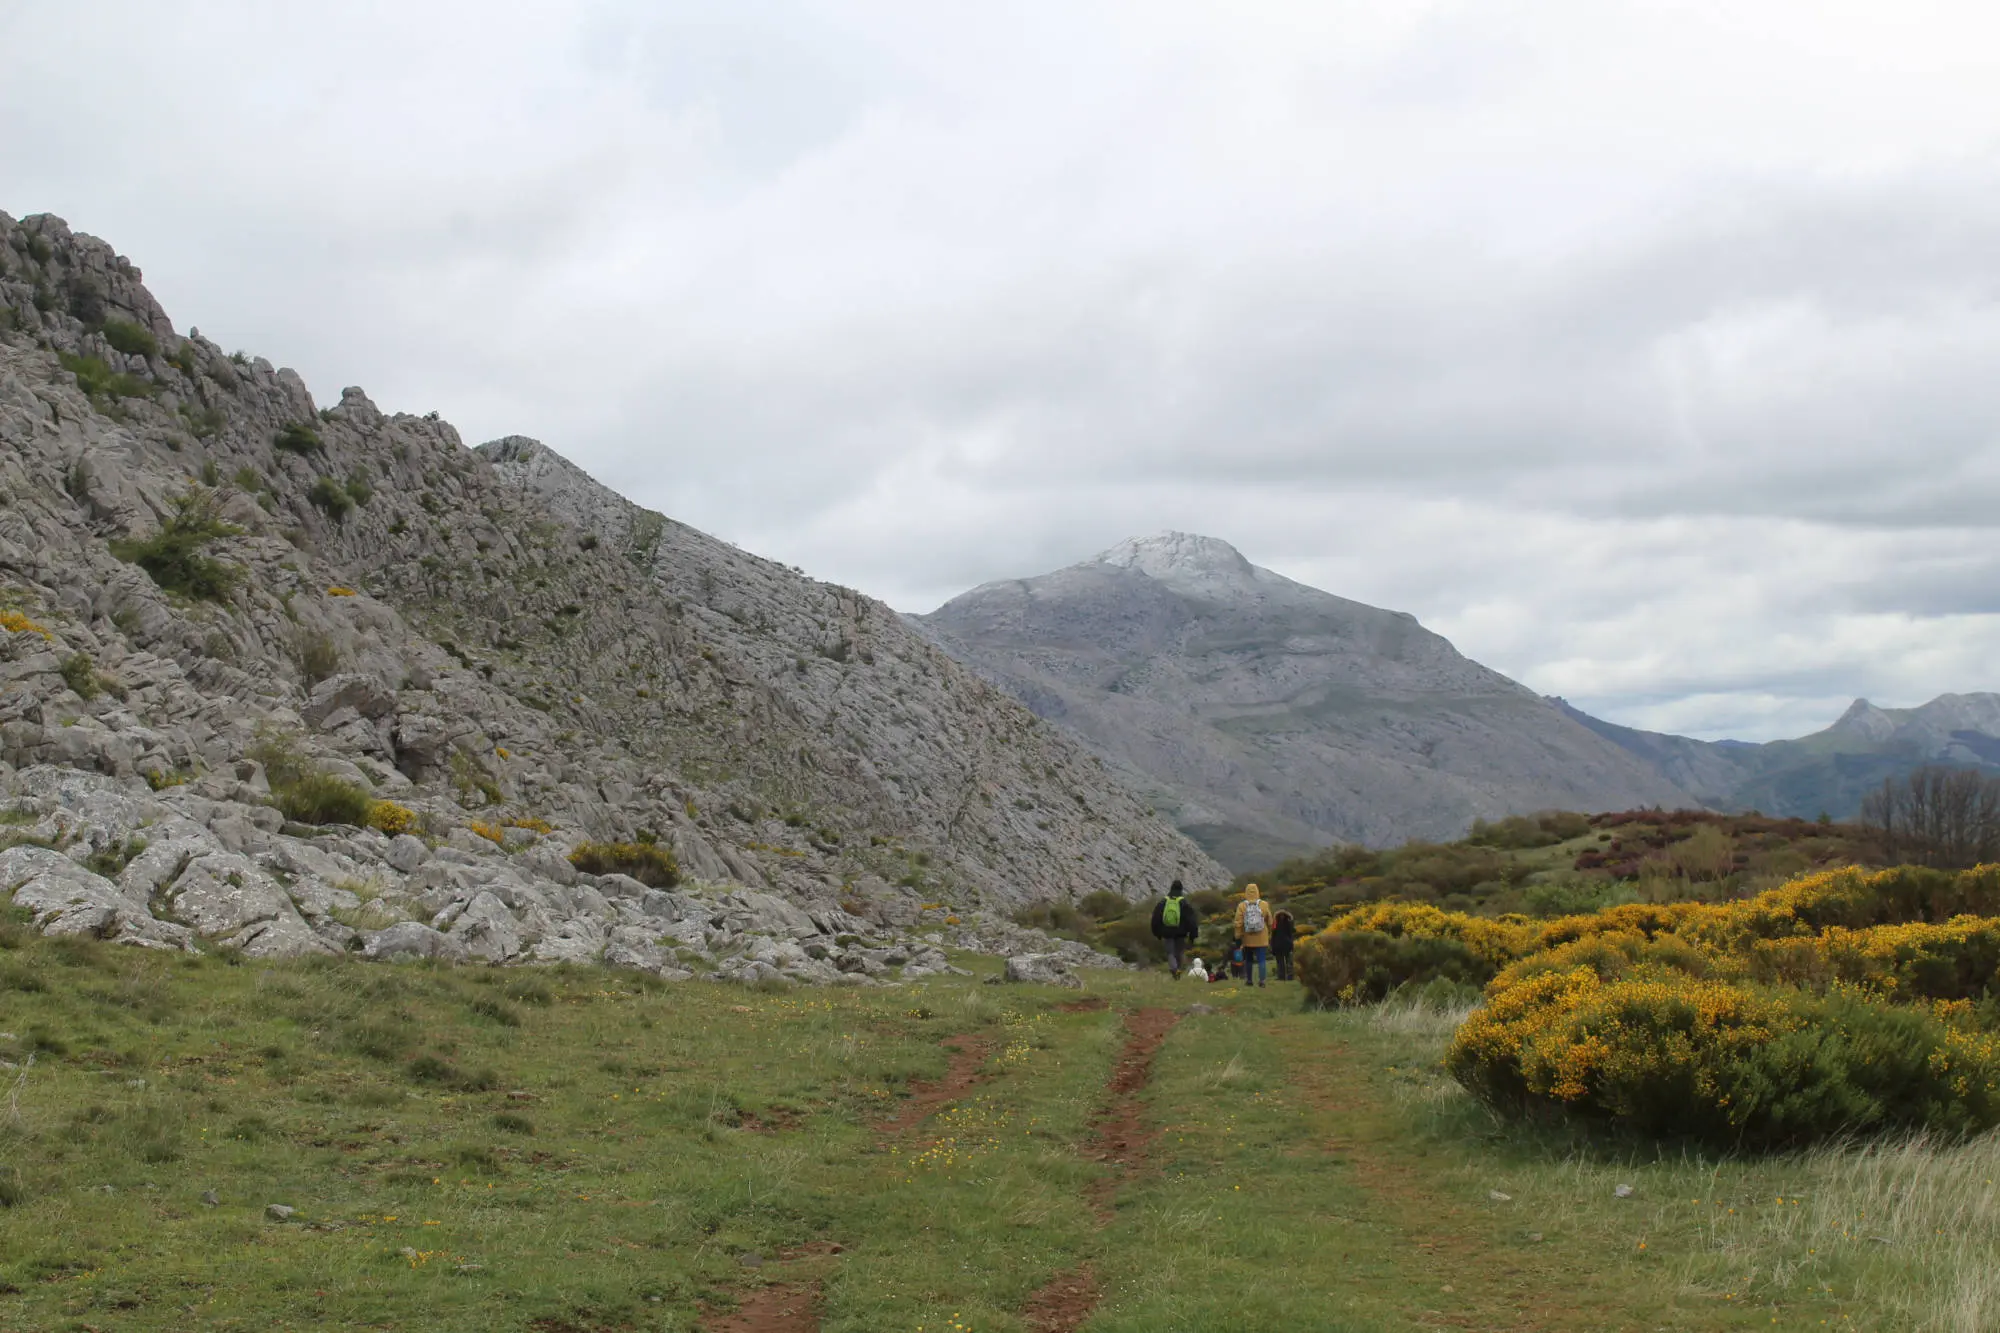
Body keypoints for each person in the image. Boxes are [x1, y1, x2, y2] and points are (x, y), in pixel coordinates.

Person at [1149, 879, 1200, 979]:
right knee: (1179, 952)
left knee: (1170, 953)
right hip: (1181, 933)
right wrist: (1193, 935)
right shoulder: (1184, 903)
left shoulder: (1163, 902)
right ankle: (1178, 971)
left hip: (1167, 932)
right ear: (1181, 889)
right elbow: (1191, 920)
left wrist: (1157, 933)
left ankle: (1174, 969)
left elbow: (1156, 918)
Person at [1233, 884, 1274, 988]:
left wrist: (1238, 936)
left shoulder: (1242, 906)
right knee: (1261, 960)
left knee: (1249, 960)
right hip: (1262, 937)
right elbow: (1270, 921)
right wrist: (1269, 932)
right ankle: (1262, 981)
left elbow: (1238, 922)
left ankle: (1249, 980)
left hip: (1247, 938)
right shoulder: (1264, 904)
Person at [1270, 909, 1297, 982]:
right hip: (1282, 945)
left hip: (1284, 945)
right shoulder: (1278, 924)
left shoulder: (1287, 924)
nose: (1282, 916)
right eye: (1280, 915)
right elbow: (1273, 935)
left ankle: (1287, 976)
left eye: (1283, 915)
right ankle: (1284, 976)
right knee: (1282, 962)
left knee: (1287, 961)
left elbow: (1293, 930)